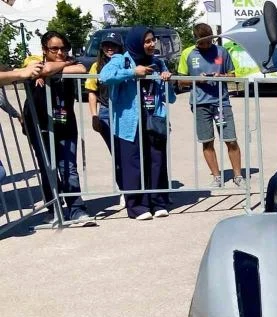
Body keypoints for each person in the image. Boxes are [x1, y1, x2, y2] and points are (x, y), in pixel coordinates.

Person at [99, 26, 176, 220]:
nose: (152, 44)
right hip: (129, 122)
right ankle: (137, 206)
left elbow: (171, 98)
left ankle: (158, 202)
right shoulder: (121, 59)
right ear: (136, 43)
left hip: (154, 119)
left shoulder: (158, 62)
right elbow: (104, 76)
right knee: (132, 163)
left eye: (153, 40)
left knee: (156, 161)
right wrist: (133, 72)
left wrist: (167, 81)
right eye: (147, 41)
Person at [22, 31, 91, 224]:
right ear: (44, 49)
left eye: (63, 48)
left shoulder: (71, 62)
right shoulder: (34, 63)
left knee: (69, 167)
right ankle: (54, 209)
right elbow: (43, 69)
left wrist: (57, 67)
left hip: (65, 123)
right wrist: (61, 66)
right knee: (48, 169)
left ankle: (77, 209)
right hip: (39, 125)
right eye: (54, 49)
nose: (60, 52)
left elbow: (81, 69)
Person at [177, 23, 244, 188]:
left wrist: (220, 76)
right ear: (195, 39)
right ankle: (216, 177)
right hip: (200, 104)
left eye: (209, 42)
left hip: (222, 102)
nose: (206, 45)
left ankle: (238, 176)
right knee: (207, 141)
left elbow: (233, 75)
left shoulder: (222, 52)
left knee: (231, 140)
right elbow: (180, 81)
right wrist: (197, 79)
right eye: (202, 43)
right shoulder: (187, 53)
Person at [85, 32, 125, 188]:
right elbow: (92, 92)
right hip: (106, 112)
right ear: (101, 48)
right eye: (107, 45)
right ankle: (123, 188)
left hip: (125, 111)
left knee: (128, 151)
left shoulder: (126, 63)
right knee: (116, 152)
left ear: (120, 47)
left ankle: (134, 187)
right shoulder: (96, 66)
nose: (110, 48)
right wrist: (94, 116)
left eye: (114, 45)